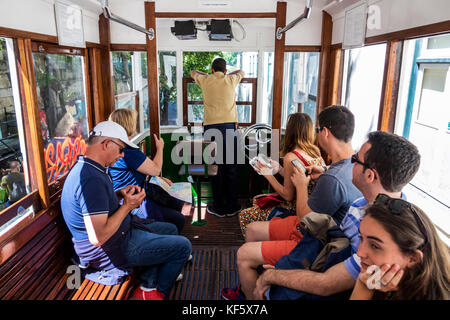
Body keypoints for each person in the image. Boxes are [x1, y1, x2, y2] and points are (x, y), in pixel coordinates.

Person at [252, 130, 421, 301]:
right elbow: (332, 249)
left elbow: (325, 284)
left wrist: (274, 275)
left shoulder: (381, 236)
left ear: (370, 175)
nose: (350, 163)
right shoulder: (360, 205)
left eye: (354, 160)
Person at [223, 105, 362, 300]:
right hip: (315, 228)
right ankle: (251, 282)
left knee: (243, 253)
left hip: (314, 241)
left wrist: (301, 186)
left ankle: (255, 292)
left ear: (325, 132)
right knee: (253, 229)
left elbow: (304, 218)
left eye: (318, 129)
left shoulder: (333, 179)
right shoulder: (349, 166)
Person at [60, 121, 192, 300]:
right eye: (120, 149)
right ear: (106, 144)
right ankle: (153, 294)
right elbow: (98, 237)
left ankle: (147, 283)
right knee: (183, 247)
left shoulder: (93, 168)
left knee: (171, 229)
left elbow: (97, 206)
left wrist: (118, 194)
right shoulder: (90, 179)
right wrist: (127, 206)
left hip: (121, 232)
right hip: (109, 249)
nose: (122, 155)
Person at [238, 112, 325, 236]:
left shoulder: (290, 157)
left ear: (290, 131)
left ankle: (260, 243)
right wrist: (279, 169)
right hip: (312, 206)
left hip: (297, 209)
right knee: (258, 201)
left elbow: (287, 195)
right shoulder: (315, 151)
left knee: (245, 215)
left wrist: (268, 174)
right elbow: (300, 177)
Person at [350, 198, 450, 300]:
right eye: (361, 238)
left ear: (413, 258)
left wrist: (364, 288)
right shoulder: (378, 277)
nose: (359, 253)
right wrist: (364, 284)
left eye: (375, 246)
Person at [108, 108, 186, 234]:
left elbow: (137, 172)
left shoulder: (117, 147)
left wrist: (160, 180)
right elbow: (155, 170)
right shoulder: (128, 151)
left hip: (126, 196)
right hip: (133, 201)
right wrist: (160, 148)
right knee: (178, 219)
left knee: (176, 203)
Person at [190, 57, 245, 217]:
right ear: (225, 71)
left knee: (215, 169)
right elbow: (242, 71)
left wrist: (207, 75)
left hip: (211, 128)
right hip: (229, 127)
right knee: (231, 168)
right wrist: (227, 74)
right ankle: (233, 205)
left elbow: (193, 72)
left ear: (212, 70)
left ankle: (219, 207)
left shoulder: (205, 80)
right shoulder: (231, 79)